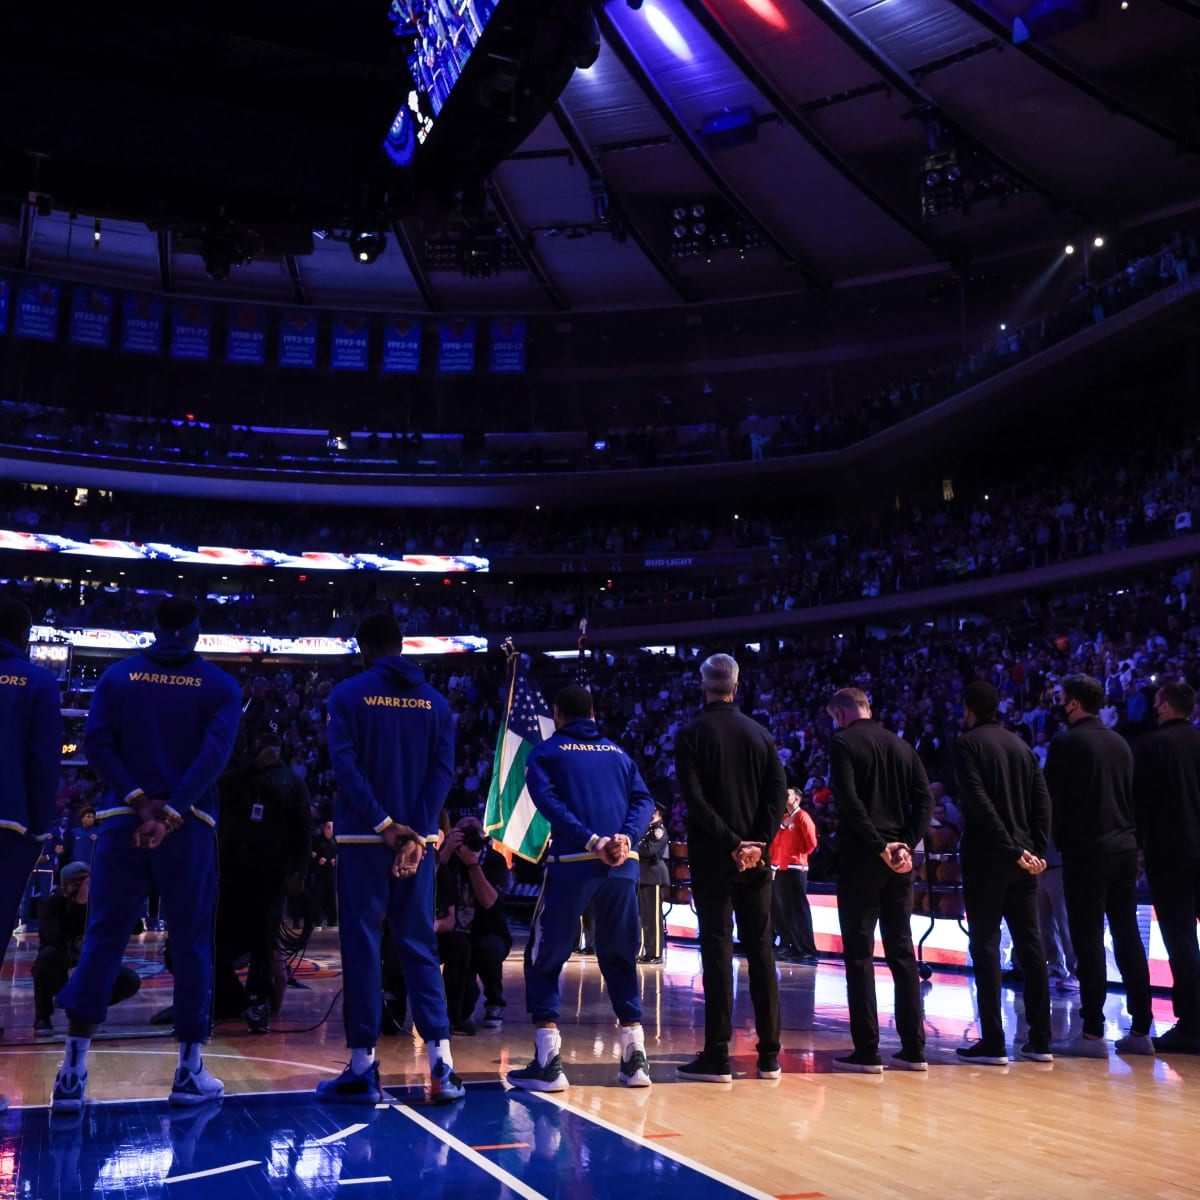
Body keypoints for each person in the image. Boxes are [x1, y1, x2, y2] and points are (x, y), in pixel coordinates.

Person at [51, 597, 242, 1113]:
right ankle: (188, 1072)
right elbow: (214, 755)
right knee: (192, 943)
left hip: (121, 822)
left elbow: (96, 744)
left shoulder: (116, 677)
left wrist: (138, 800)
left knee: (104, 938)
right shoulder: (222, 685)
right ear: (198, 634)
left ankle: (71, 1074)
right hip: (190, 825)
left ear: (153, 628)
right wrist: (173, 809)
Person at [317, 613, 463, 1105]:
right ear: (402, 645)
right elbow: (442, 773)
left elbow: (345, 766)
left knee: (362, 947)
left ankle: (362, 1069)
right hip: (417, 844)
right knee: (420, 946)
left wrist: (384, 825)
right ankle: (443, 1066)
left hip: (363, 839)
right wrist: (417, 835)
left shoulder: (347, 695)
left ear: (363, 649)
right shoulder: (437, 704)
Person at [507, 684, 655, 1092]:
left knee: (544, 956)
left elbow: (550, 804)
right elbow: (644, 801)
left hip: (574, 865)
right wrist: (624, 838)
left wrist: (592, 841)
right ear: (593, 713)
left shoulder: (546, 753)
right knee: (620, 955)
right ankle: (635, 1058)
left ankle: (549, 1060)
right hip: (623, 866)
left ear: (558, 714)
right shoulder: (619, 753)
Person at [674, 654, 787, 1083]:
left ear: (704, 686)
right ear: (736, 687)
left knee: (717, 949)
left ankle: (718, 1054)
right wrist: (757, 844)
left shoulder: (691, 734)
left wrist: (731, 843)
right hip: (757, 861)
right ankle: (770, 1055)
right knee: (761, 949)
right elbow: (777, 797)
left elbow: (696, 801)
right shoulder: (761, 735)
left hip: (713, 858)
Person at [1044, 673, 1154, 1057]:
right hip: (1124, 849)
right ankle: (1141, 1030)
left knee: (1088, 939)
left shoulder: (1066, 743)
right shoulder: (1120, 742)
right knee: (1127, 936)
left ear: (1073, 703)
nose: (1058, 703)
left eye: (1061, 698)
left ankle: (1092, 1032)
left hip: (1087, 852)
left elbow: (1050, 800)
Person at [826, 686, 932, 1073]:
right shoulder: (903, 746)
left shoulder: (842, 743)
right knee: (902, 954)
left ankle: (868, 1050)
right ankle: (914, 1049)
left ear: (839, 715)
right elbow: (925, 801)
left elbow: (850, 802)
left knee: (859, 956)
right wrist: (905, 843)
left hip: (862, 859)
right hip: (899, 861)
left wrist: (878, 846)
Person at [952, 680, 1053, 1065]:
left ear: (969, 710)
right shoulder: (1023, 747)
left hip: (988, 859)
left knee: (987, 947)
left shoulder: (966, 745)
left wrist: (1011, 849)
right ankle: (1041, 1041)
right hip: (1024, 859)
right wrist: (1036, 850)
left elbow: (979, 803)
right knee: (1031, 947)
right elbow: (1042, 802)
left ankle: (993, 1041)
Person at [214, 728, 311, 1033]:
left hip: (271, 874)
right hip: (231, 872)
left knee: (263, 941)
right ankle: (227, 997)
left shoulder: (291, 782)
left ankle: (257, 1001)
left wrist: (298, 871)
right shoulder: (238, 777)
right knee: (215, 936)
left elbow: (303, 830)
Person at [0, 598, 63, 1064]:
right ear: (25, 635)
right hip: (9, 823)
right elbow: (44, 761)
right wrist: (40, 827)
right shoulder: (37, 681)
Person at [1134, 679, 1200, 1054]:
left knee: (1181, 941)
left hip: (1171, 854)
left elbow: (1142, 804)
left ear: (1162, 705)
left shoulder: (1153, 746)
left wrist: (1138, 851)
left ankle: (1191, 1026)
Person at [33, 862, 141, 1035]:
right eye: (79, 882)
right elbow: (56, 938)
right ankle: (43, 1017)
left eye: (89, 882)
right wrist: (77, 905)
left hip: (90, 966)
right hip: (60, 965)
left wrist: (119, 900)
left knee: (129, 981)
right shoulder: (51, 905)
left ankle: (83, 1011)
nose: (85, 887)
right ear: (65, 885)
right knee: (47, 957)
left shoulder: (99, 902)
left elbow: (136, 927)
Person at [436, 814, 512, 1034]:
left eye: (474, 830)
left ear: (483, 836)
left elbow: (488, 901)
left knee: (487, 948)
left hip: (489, 930)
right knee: (459, 955)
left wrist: (473, 865)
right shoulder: (446, 858)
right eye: (463, 830)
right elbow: (428, 882)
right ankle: (454, 1013)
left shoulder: (495, 861)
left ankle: (494, 1002)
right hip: (453, 930)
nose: (469, 833)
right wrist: (448, 850)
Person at [771, 787, 819, 965]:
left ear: (797, 799)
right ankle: (792, 945)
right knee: (786, 910)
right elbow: (777, 845)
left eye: (788, 794)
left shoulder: (802, 817)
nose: (784, 796)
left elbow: (812, 842)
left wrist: (799, 856)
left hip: (796, 868)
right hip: (783, 868)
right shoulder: (784, 818)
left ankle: (806, 948)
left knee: (798, 909)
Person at [637, 801, 670, 963]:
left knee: (653, 917)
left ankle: (655, 953)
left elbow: (648, 850)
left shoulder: (658, 830)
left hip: (654, 876)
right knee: (644, 916)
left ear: (657, 812)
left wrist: (636, 845)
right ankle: (645, 951)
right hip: (644, 876)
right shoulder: (647, 829)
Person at [309, 819, 339, 929]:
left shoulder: (336, 842)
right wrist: (318, 860)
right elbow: (311, 856)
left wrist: (336, 860)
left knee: (332, 898)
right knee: (318, 898)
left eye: (332, 828)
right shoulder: (317, 840)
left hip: (332, 874)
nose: (330, 830)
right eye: (328, 827)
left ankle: (333, 922)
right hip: (320, 874)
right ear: (324, 828)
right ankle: (318, 922)